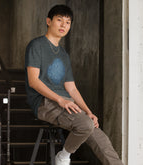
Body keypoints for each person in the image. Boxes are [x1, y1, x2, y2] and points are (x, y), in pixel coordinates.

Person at [25, 4, 124, 165]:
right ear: (48, 21)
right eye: (59, 20)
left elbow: (71, 88)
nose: (64, 25)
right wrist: (60, 100)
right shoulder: (37, 45)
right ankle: (63, 156)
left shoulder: (64, 54)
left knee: (99, 137)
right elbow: (33, 81)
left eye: (68, 22)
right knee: (85, 125)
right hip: (44, 101)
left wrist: (88, 111)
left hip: (66, 102)